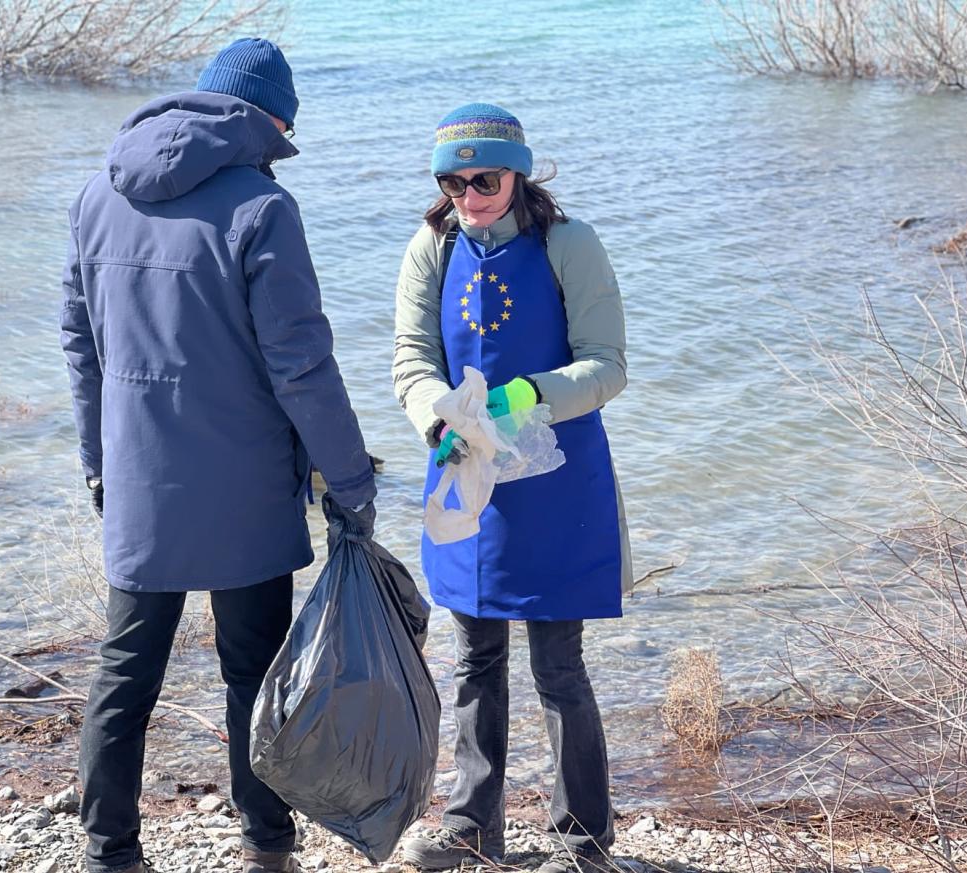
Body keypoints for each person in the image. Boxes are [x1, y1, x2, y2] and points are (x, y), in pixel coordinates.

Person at [60, 37, 377, 873]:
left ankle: (109, 855)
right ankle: (268, 848)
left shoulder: (97, 196)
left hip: (140, 485)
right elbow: (302, 365)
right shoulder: (262, 208)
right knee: (253, 675)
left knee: (125, 675)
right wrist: (349, 482)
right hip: (245, 494)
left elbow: (80, 345)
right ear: (271, 122)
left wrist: (97, 458)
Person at [392, 103, 633, 873]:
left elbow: (607, 363)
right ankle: (471, 825)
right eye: (454, 181)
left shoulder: (571, 244)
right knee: (473, 658)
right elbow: (410, 359)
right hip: (467, 472)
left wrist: (526, 394)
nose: (470, 193)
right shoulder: (430, 248)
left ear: (518, 173)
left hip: (557, 478)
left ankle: (581, 839)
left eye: (485, 177)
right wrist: (438, 414)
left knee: (559, 663)